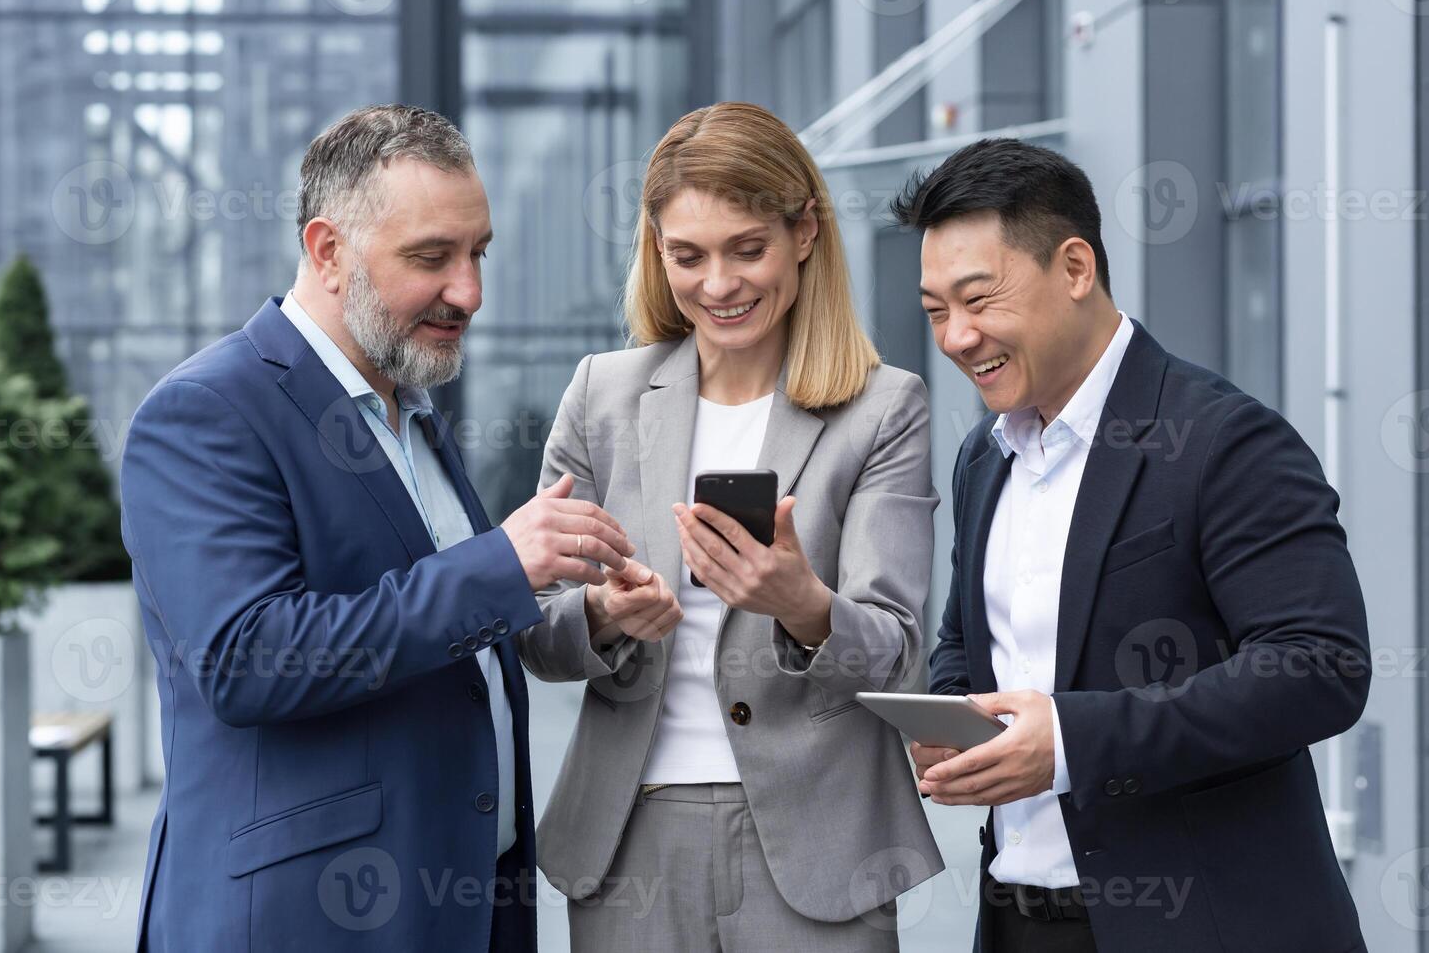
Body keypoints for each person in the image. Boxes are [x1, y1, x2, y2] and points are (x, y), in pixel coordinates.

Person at [120, 104, 635, 951]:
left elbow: (440, 638)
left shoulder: (411, 411)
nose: (469, 291)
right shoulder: (205, 412)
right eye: (431, 257)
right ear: (329, 252)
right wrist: (502, 564)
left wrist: (592, 617)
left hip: (456, 907)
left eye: (479, 253)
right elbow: (250, 658)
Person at [895, 138, 1370, 952]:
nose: (956, 337)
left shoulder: (1224, 440)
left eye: (978, 300)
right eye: (936, 311)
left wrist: (1075, 741)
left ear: (1075, 268)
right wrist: (951, 718)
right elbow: (969, 643)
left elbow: (1318, 665)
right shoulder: (985, 457)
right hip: (1016, 923)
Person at [517, 102, 943, 951]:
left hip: (818, 844)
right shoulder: (602, 396)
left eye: (747, 249)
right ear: (657, 252)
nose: (718, 284)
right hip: (629, 839)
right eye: (688, 255)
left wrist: (804, 605)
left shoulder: (883, 407)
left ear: (805, 234)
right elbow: (537, 637)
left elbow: (897, 649)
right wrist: (603, 617)